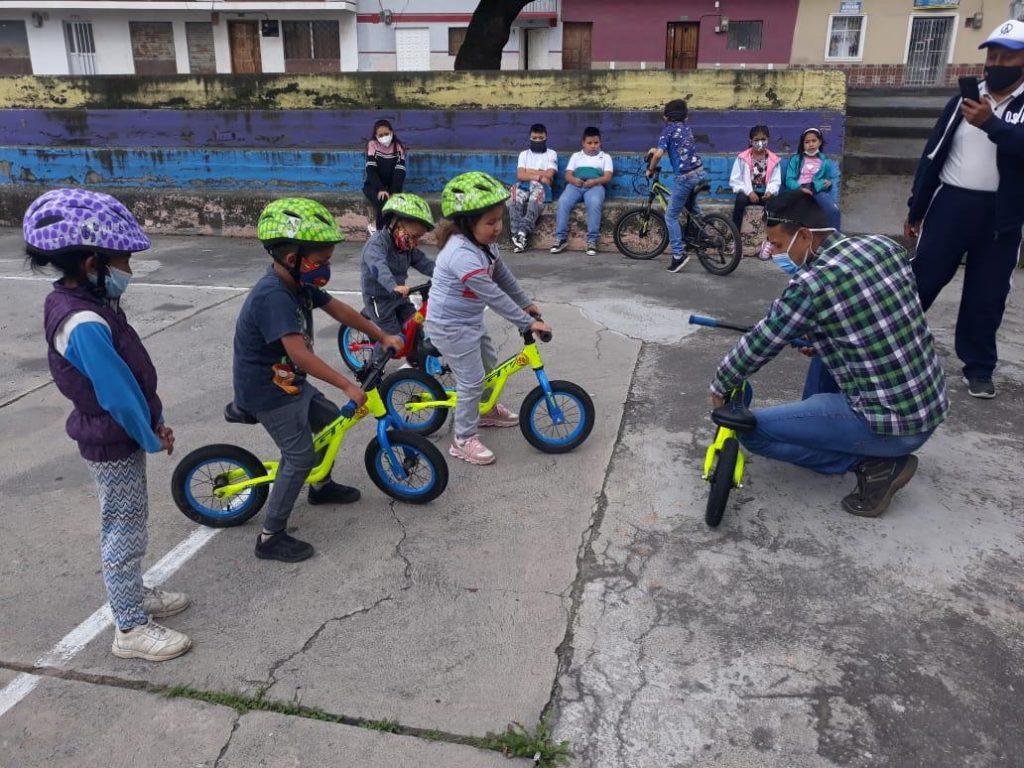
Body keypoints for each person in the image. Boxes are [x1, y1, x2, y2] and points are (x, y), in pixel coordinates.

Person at [25, 188, 192, 662]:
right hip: (111, 438)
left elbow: (128, 379)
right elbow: (117, 391)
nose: (129, 272)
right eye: (123, 261)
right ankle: (131, 627)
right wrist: (150, 432)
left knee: (128, 520)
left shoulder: (86, 302)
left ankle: (134, 594)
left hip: (118, 433)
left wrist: (150, 419)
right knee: (124, 529)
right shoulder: (83, 322)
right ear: (93, 262)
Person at [708, 191, 948, 518]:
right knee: (821, 343)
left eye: (778, 245)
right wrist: (820, 338)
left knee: (751, 431)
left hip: (891, 424)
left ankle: (873, 465)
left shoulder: (811, 284)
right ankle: (840, 433)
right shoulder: (883, 247)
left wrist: (720, 386)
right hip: (927, 407)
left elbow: (762, 340)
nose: (776, 254)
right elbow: (872, 316)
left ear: (805, 235)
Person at [232, 198, 403, 563]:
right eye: (320, 261)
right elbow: (299, 355)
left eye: (328, 261)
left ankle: (320, 487)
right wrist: (346, 384)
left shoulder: (298, 282)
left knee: (331, 424)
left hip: (289, 383)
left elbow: (337, 309)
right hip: (268, 391)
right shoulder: (273, 296)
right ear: (289, 256)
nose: (325, 268)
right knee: (300, 455)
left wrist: (379, 334)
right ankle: (270, 536)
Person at [905, 19, 1024, 400]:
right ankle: (894, 344)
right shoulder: (961, 102)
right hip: (951, 203)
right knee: (921, 279)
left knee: (986, 294)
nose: (997, 63)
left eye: (1008, 56)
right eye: (992, 55)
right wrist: (917, 207)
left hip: (1002, 214)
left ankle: (978, 368)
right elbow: (933, 154)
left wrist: (993, 125)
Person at [427, 172, 552, 465]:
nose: (498, 228)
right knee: (470, 380)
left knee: (487, 364)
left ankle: (485, 408)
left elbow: (502, 275)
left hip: (468, 322)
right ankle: (462, 439)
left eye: (500, 220)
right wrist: (527, 322)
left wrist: (526, 303)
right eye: (491, 222)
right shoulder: (461, 254)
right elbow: (492, 295)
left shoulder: (484, 245)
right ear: (468, 223)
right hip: (449, 326)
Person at [360, 192, 436, 346]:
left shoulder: (406, 247)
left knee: (415, 326)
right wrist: (393, 286)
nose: (414, 242)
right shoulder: (377, 245)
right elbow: (378, 268)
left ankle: (416, 359)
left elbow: (423, 262)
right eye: (412, 236)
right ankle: (373, 367)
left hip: (399, 298)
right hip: (379, 299)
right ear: (394, 224)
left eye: (418, 238)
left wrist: (444, 274)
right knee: (394, 339)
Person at [646, 99, 709, 273]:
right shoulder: (686, 129)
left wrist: (651, 169)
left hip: (685, 177)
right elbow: (675, 146)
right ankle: (702, 234)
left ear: (665, 118)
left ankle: (678, 255)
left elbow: (659, 154)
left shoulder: (667, 131)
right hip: (700, 173)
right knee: (692, 208)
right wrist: (654, 149)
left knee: (671, 216)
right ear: (685, 117)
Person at [550, 127, 613, 257]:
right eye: (589, 143)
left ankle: (592, 240)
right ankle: (560, 238)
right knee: (563, 202)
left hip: (595, 186)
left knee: (595, 203)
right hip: (575, 185)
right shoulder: (576, 156)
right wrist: (574, 180)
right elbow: (568, 175)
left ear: (600, 143)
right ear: (583, 143)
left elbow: (607, 176)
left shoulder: (605, 157)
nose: (593, 146)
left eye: (596, 143)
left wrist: (594, 182)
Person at [508, 123, 558, 253]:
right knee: (513, 197)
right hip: (523, 185)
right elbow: (520, 175)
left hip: (541, 187)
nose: (537, 140)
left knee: (533, 203)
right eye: (534, 138)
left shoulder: (551, 154)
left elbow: (550, 174)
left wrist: (530, 172)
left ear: (546, 137)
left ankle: (522, 233)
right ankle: (516, 236)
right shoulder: (524, 154)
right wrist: (540, 174)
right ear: (530, 138)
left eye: (541, 138)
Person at [783, 127, 841, 230]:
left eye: (814, 141)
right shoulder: (796, 159)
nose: (811, 144)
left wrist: (829, 183)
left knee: (833, 211)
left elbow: (828, 179)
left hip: (817, 190)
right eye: (807, 142)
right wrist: (800, 188)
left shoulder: (825, 161)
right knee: (799, 211)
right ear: (803, 145)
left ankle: (835, 237)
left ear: (820, 142)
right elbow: (789, 180)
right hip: (800, 189)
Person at [730, 124, 782, 233]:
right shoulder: (742, 158)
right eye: (756, 139)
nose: (760, 142)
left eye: (763, 139)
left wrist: (770, 192)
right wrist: (749, 192)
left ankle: (771, 237)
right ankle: (734, 235)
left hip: (764, 194)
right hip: (748, 193)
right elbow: (735, 180)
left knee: (775, 205)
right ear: (750, 141)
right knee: (740, 200)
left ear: (768, 139)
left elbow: (775, 180)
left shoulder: (773, 160)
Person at [363, 119, 407, 235]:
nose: (384, 137)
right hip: (373, 186)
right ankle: (379, 232)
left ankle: (381, 229)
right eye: (380, 135)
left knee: (394, 201)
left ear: (392, 132)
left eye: (386, 134)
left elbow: (400, 172)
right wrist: (381, 188)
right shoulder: (372, 145)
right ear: (376, 136)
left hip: (392, 186)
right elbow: (371, 170)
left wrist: (393, 191)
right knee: (382, 199)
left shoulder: (399, 147)